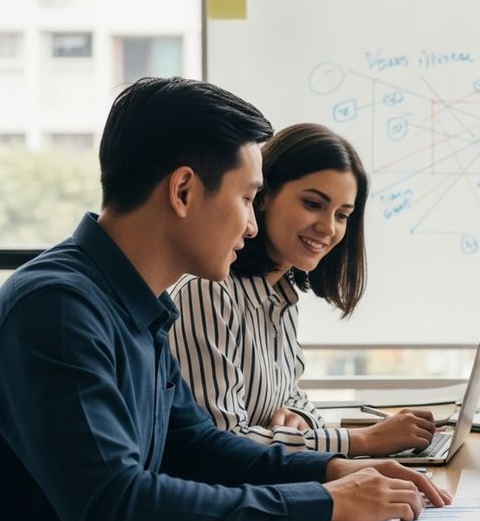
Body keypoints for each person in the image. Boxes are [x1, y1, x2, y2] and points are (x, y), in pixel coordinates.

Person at [0, 78, 450, 521]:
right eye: (247, 199)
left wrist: (332, 471)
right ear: (183, 191)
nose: (250, 226)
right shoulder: (58, 308)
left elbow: (196, 447)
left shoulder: (135, 302)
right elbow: (114, 509)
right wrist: (326, 502)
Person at [169, 123, 435, 458]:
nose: (328, 227)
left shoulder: (282, 296)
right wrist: (361, 440)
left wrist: (301, 418)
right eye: (313, 204)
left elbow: (293, 399)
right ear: (263, 197)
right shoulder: (208, 293)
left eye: (342, 215)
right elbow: (223, 442)